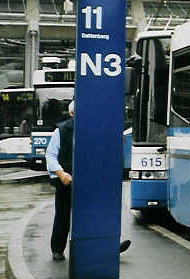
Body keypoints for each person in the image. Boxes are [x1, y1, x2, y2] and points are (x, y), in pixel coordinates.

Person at [46, 101, 131, 261]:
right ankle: (57, 249)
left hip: (90, 179)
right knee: (63, 216)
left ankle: (108, 245)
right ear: (72, 114)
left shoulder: (95, 129)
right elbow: (50, 155)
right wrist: (61, 173)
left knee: (96, 214)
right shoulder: (62, 131)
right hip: (67, 180)